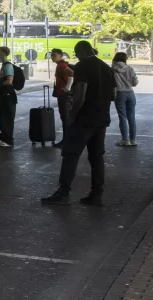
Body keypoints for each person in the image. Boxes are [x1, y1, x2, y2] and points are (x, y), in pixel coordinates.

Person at [41, 41, 116, 206]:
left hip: (84, 119)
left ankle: (63, 192)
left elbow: (80, 94)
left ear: (81, 51)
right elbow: (114, 95)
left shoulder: (83, 67)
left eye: (76, 52)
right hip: (101, 119)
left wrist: (72, 117)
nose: (76, 56)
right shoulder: (106, 68)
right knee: (96, 157)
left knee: (70, 154)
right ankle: (96, 194)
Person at [112, 52, 139, 147]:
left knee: (122, 117)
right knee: (131, 118)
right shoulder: (130, 68)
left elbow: (111, 83)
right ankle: (133, 140)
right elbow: (135, 82)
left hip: (120, 93)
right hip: (130, 93)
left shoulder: (113, 69)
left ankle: (125, 140)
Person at [0, 47, 18, 148]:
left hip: (8, 95)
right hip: (4, 94)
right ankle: (4, 137)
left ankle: (8, 140)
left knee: (7, 118)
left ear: (4, 53)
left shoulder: (8, 66)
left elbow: (9, 81)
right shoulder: (4, 65)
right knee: (1, 117)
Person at [51, 49, 74, 148]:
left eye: (54, 55)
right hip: (62, 94)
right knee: (65, 117)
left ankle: (66, 141)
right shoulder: (60, 65)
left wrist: (67, 88)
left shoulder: (62, 65)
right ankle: (67, 140)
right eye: (51, 55)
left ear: (60, 56)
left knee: (65, 117)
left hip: (63, 95)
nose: (52, 57)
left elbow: (71, 73)